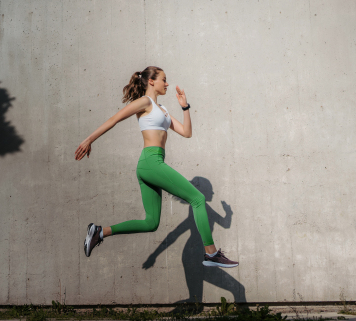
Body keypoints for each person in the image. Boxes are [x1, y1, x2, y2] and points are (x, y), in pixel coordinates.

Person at [74, 66, 238, 268]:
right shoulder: (145, 102)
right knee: (198, 198)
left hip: (151, 165)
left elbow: (186, 133)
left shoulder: (164, 111)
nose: (167, 84)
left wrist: (185, 107)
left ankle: (100, 231)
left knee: (151, 223)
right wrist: (89, 140)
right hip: (151, 162)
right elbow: (115, 119)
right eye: (164, 80)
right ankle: (211, 254)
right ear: (151, 81)